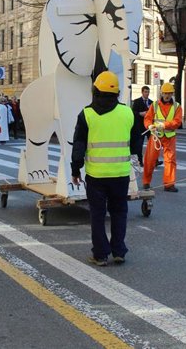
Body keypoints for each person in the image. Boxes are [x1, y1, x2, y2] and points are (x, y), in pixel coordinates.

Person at [71, 71, 135, 266]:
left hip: (96, 176)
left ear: (95, 90)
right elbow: (135, 140)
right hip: (121, 174)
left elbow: (78, 146)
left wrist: (75, 170)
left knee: (97, 216)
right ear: (116, 91)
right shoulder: (127, 112)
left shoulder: (86, 115)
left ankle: (100, 255)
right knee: (119, 213)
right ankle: (119, 251)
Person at [142, 82, 183, 192]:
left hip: (169, 136)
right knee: (150, 159)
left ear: (172, 94)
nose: (167, 95)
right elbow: (147, 118)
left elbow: (178, 122)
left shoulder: (177, 106)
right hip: (156, 135)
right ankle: (146, 182)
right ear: (162, 93)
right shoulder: (155, 105)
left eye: (169, 93)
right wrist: (149, 125)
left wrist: (164, 125)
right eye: (165, 93)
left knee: (170, 160)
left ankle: (169, 184)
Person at [131, 85, 153, 166]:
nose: (147, 94)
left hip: (149, 126)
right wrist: (140, 113)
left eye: (148, 92)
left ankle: (155, 160)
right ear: (142, 92)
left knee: (152, 144)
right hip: (140, 126)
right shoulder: (137, 101)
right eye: (145, 92)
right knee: (139, 145)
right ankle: (140, 161)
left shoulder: (151, 102)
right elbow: (133, 112)